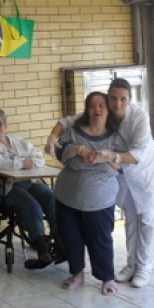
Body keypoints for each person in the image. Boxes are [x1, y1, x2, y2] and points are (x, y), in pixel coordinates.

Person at [46, 78, 154, 288]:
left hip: (142, 171)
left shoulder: (139, 116)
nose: (117, 104)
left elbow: (140, 154)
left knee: (146, 219)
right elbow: (67, 122)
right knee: (132, 219)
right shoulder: (103, 110)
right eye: (113, 98)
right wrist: (52, 139)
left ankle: (144, 267)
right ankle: (131, 264)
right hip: (121, 173)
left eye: (122, 99)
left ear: (130, 100)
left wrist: (110, 156)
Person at [52, 91, 122, 295]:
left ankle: (107, 278)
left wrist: (108, 157)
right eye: (92, 105)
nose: (97, 110)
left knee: (100, 238)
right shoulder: (73, 130)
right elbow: (59, 152)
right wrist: (77, 149)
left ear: (108, 109)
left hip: (99, 200)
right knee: (71, 237)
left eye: (101, 106)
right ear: (87, 109)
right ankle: (76, 274)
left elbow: (123, 164)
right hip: (67, 196)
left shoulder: (117, 135)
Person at [0, 107, 62, 269]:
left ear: (6, 125)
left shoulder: (17, 141)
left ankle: (60, 243)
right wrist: (23, 163)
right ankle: (42, 250)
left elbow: (38, 158)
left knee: (51, 197)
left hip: (28, 182)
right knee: (31, 205)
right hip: (5, 188)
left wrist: (21, 164)